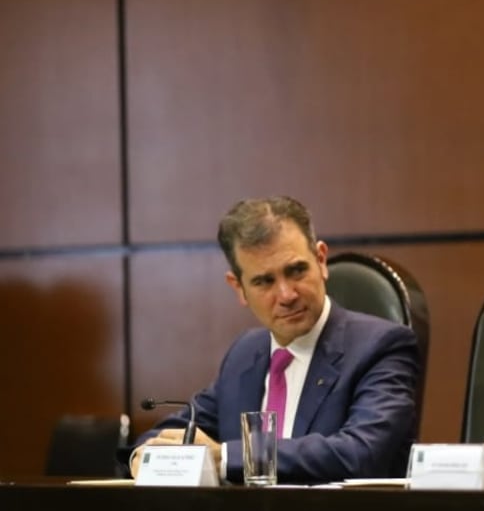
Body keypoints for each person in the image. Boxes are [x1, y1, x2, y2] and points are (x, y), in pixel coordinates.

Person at [128, 196, 420, 484]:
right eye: (264, 281)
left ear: (320, 260)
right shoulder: (246, 352)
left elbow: (360, 453)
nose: (286, 295)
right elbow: (180, 428)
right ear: (239, 288)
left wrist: (228, 457)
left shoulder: (381, 347)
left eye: (296, 271)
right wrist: (146, 454)